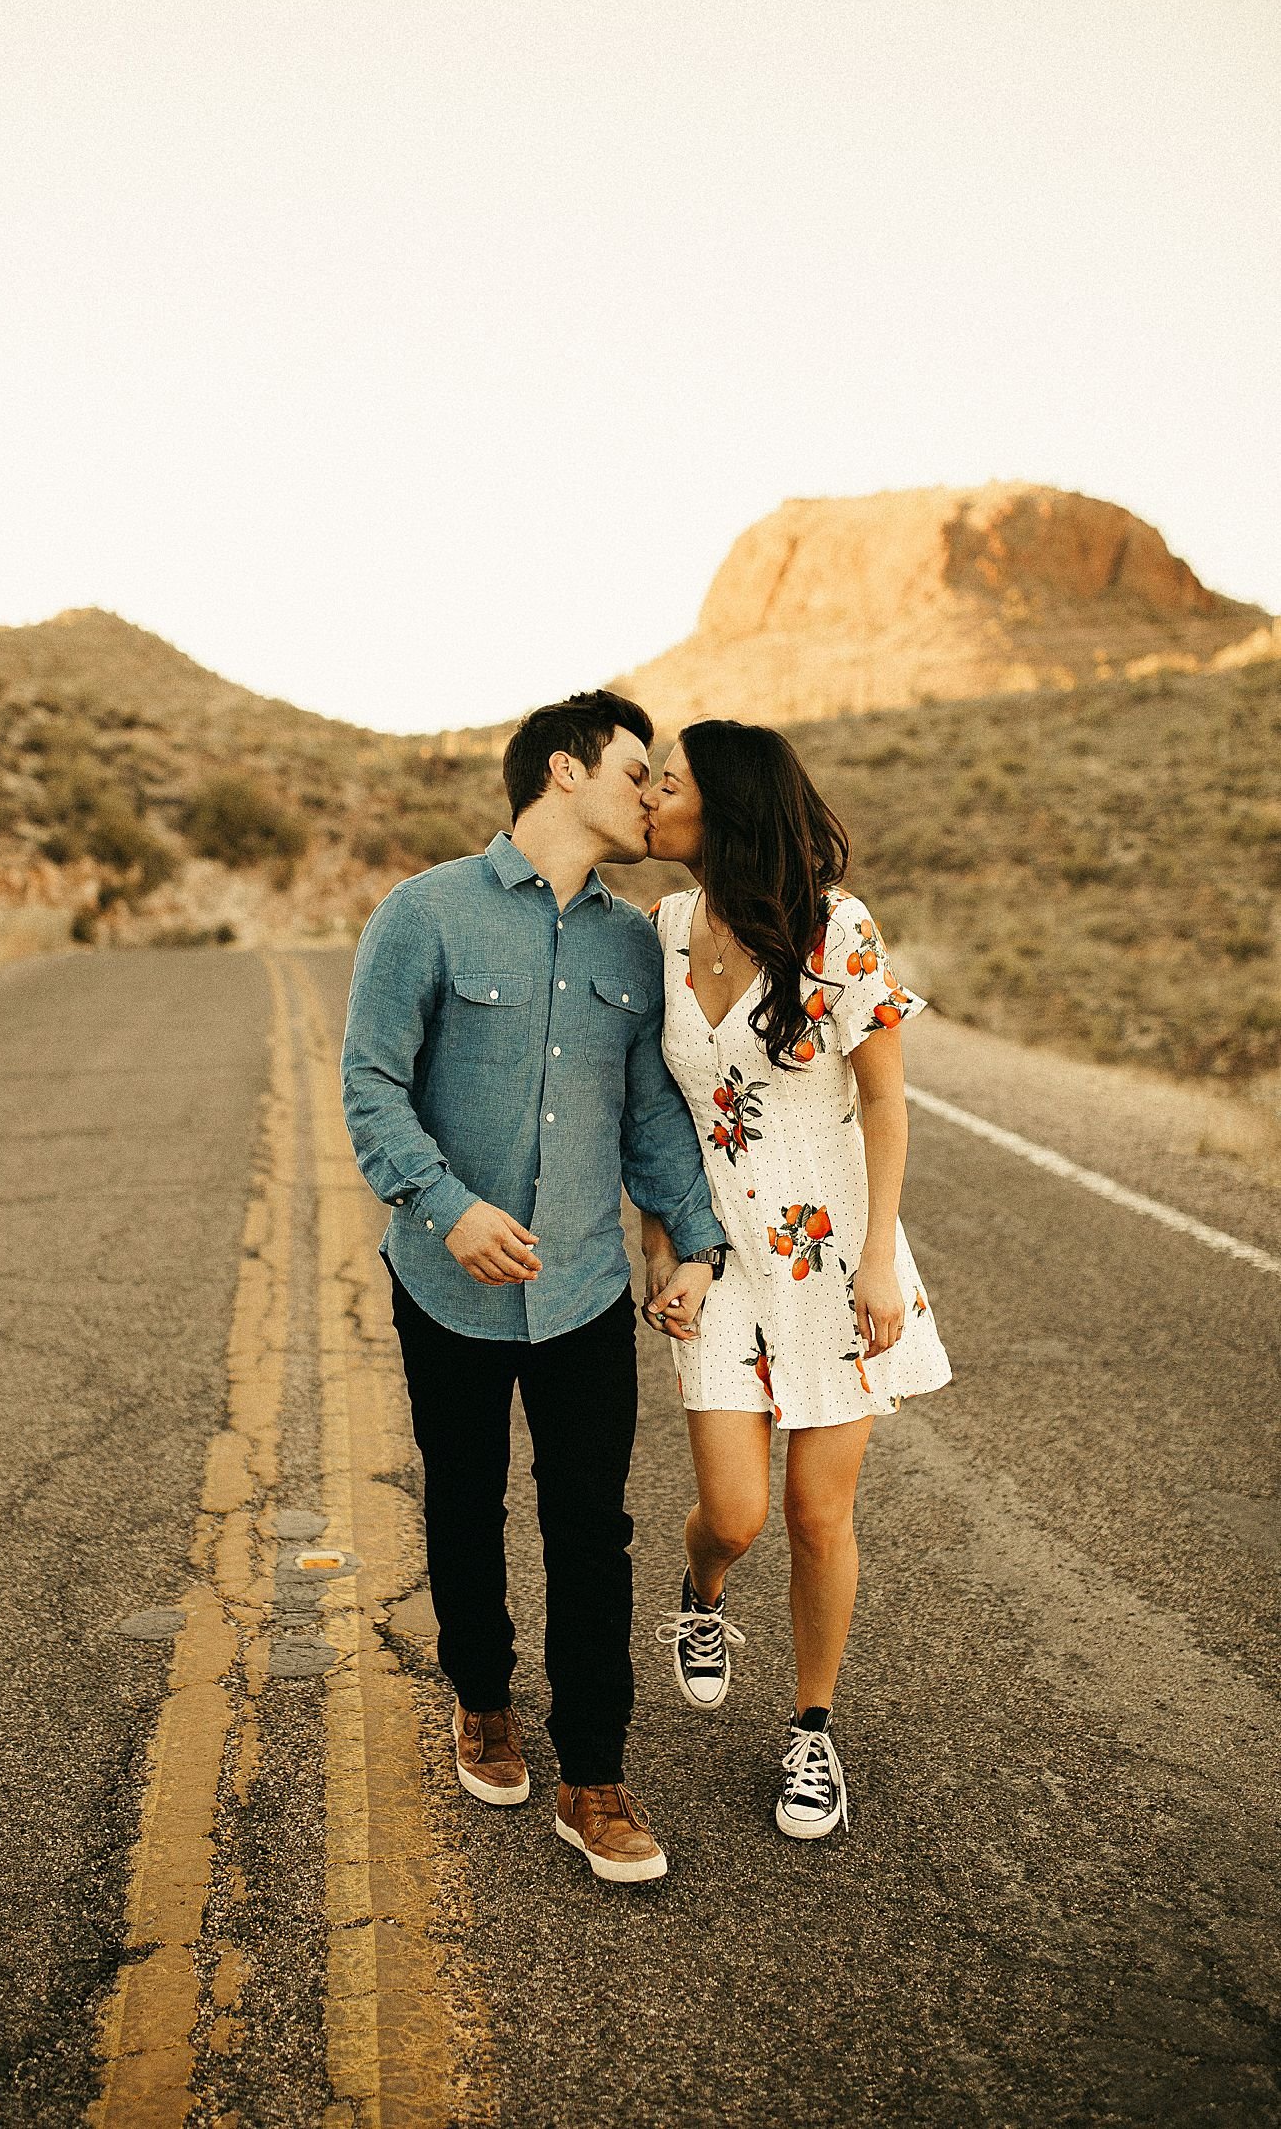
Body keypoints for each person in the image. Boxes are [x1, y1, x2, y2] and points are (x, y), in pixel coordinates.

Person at [341, 689, 727, 1885]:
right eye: (632, 768)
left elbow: (652, 1111)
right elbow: (370, 1085)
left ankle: (595, 1777)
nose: (649, 792)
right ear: (563, 771)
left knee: (591, 1530)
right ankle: (482, 1697)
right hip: (445, 1284)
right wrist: (447, 1211)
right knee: (464, 1502)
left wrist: (695, 1242)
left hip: (581, 1292)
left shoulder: (632, 940)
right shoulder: (426, 915)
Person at [641, 719, 951, 1839]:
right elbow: (650, 1114)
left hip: (835, 1257)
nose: (649, 800)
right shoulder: (664, 928)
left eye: (666, 785)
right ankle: (702, 1595)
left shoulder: (837, 929)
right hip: (717, 1257)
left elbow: (885, 1100)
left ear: (720, 809)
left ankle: (812, 1732)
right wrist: (664, 1247)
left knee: (820, 1516)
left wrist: (879, 1259)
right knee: (734, 1513)